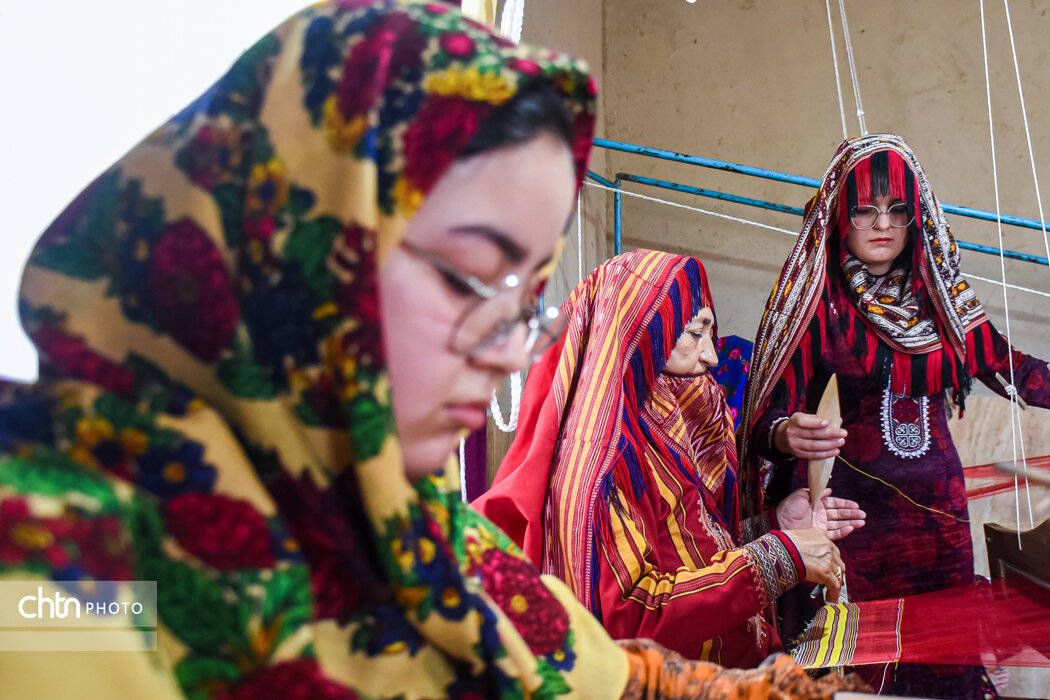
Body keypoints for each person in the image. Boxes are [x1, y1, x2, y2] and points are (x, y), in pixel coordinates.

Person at [0, 2, 869, 698]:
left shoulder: (427, 546)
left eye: (524, 301)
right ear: (291, 243)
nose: (505, 354)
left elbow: (617, 680)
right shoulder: (54, 567)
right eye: (469, 276)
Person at [739, 133, 1050, 699]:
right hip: (858, 518)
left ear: (916, 215)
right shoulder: (821, 305)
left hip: (941, 517)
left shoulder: (943, 300)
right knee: (865, 670)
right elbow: (769, 416)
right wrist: (786, 434)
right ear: (841, 217)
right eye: (865, 209)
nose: (882, 223)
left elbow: (1014, 369)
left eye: (896, 209)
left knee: (946, 660)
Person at [475, 249, 865, 667]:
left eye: (710, 333)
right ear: (638, 334)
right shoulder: (604, 461)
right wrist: (777, 558)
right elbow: (627, 616)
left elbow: (687, 548)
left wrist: (773, 526)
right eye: (694, 333)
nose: (711, 355)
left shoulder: (664, 433)